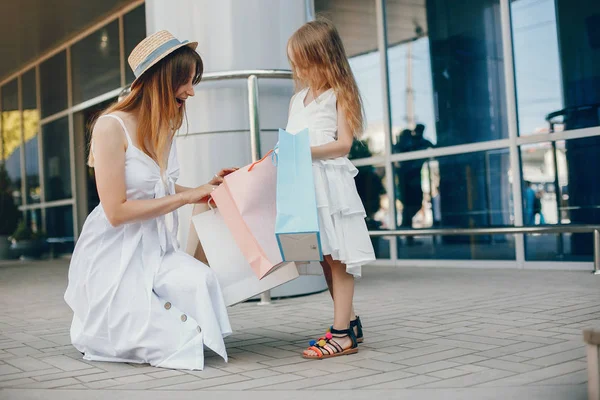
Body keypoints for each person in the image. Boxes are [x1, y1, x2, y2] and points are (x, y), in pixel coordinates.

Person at [64, 30, 236, 370]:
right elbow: (116, 211)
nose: (191, 90)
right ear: (161, 79)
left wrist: (205, 188)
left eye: (192, 81)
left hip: (158, 248)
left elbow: (161, 188)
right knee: (176, 342)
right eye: (185, 80)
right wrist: (188, 197)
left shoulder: (165, 124)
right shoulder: (109, 127)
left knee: (202, 281)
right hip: (116, 254)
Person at [286, 19, 376, 359]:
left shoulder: (340, 94)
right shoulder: (297, 100)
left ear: (322, 57)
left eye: (302, 60)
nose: (297, 67)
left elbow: (343, 145)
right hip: (303, 185)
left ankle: (341, 334)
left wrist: (302, 152)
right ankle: (349, 322)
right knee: (324, 257)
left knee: (339, 258)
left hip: (330, 184)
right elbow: (289, 142)